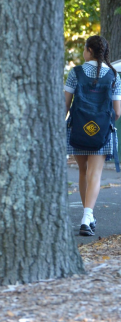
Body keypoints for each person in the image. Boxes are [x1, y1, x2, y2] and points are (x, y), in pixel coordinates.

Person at [65, 35, 121, 236]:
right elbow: (117, 111)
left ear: (89, 50)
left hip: (78, 129)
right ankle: (87, 217)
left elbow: (65, 105)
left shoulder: (76, 73)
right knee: (95, 174)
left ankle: (87, 216)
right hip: (102, 131)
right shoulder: (114, 75)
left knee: (83, 172)